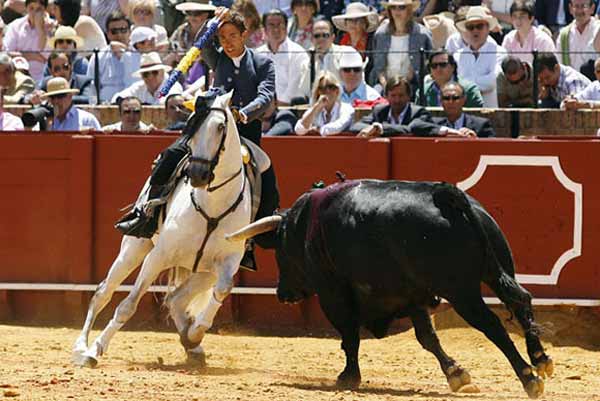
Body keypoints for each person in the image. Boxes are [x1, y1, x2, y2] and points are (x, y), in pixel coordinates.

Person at [116, 8, 279, 272]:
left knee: (266, 171)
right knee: (171, 155)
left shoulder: (263, 63)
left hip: (243, 134)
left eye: (232, 36)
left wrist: (244, 114)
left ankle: (254, 237)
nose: (227, 42)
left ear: (244, 35)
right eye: (223, 36)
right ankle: (146, 213)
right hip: (209, 128)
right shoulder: (218, 58)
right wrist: (213, 21)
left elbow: (265, 96)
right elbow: (201, 41)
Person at [368, 0, 432, 92]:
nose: (397, 11)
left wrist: (403, 87)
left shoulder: (423, 34)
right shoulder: (380, 34)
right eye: (393, 7)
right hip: (384, 87)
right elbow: (378, 67)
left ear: (410, 10)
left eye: (402, 7)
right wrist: (386, 87)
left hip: (415, 88)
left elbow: (428, 63)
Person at [350, 75, 437, 137]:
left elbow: (411, 128)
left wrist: (381, 128)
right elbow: (355, 126)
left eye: (401, 95)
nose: (397, 100)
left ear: (409, 96)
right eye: (393, 96)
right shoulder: (379, 111)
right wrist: (372, 128)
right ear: (386, 96)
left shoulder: (418, 112)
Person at [256, 9, 310, 106]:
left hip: (289, 109)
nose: (276, 29)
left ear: (286, 27)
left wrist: (277, 105)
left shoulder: (298, 53)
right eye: (271, 25)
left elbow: (295, 86)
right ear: (264, 29)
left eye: (280, 25)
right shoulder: (258, 54)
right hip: (262, 108)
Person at [454, 6, 506, 107]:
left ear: (488, 28)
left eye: (479, 26)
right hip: (464, 113)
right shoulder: (457, 56)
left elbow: (493, 81)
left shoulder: (500, 52)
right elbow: (454, 84)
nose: (475, 30)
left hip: (491, 111)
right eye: (470, 27)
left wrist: (465, 85)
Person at [86, 11, 140, 104]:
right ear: (108, 34)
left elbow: (138, 83)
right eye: (114, 31)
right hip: (105, 105)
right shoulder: (99, 56)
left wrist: (125, 56)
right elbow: (91, 86)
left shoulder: (138, 55)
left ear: (130, 32)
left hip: (132, 106)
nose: (119, 35)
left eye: (123, 30)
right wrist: (94, 106)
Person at [169, 0, 215, 90]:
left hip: (206, 76)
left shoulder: (214, 32)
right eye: (189, 13)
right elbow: (170, 52)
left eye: (196, 13)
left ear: (206, 15)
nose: (192, 17)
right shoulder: (180, 31)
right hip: (181, 75)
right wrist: (175, 56)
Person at [3, 0, 54, 81]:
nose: (34, 12)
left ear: (44, 9)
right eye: (31, 8)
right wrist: (33, 56)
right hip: (18, 75)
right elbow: (7, 53)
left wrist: (40, 29)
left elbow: (47, 58)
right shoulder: (15, 26)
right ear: (26, 8)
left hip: (42, 77)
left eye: (38, 9)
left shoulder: (51, 27)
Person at [417, 48, 484, 107]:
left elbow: (477, 116)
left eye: (443, 65)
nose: (438, 69)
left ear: (453, 67)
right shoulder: (423, 91)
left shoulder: (469, 90)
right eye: (434, 65)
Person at [295, 71, 354, 136]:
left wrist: (319, 129)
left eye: (330, 87)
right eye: (321, 88)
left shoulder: (346, 108)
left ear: (337, 91)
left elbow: (339, 126)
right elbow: (299, 129)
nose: (327, 91)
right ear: (318, 92)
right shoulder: (316, 108)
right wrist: (316, 107)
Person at [111, 51, 182, 105]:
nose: (150, 77)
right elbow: (117, 98)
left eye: (154, 72)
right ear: (141, 76)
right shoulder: (139, 87)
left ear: (162, 72)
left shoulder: (173, 86)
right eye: (146, 74)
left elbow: (164, 104)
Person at [501, 0, 555, 66]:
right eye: (514, 16)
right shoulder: (508, 39)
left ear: (531, 18)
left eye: (522, 16)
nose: (518, 20)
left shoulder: (542, 40)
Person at [555, 0, 599, 73]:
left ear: (592, 8)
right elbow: (560, 68)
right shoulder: (564, 35)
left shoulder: (598, 30)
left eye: (583, 6)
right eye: (576, 6)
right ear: (570, 8)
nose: (579, 10)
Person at [311, 18, 354, 82]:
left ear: (332, 37)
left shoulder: (346, 53)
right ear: (312, 39)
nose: (321, 39)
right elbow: (303, 90)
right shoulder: (307, 58)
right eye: (317, 36)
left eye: (325, 35)